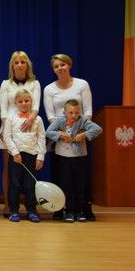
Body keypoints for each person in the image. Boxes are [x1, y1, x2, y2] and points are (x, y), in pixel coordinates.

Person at [42, 53, 94, 220]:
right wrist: (61, 132)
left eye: (62, 65)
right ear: (53, 70)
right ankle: (62, 208)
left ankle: (82, 209)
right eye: (56, 66)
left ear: (69, 65)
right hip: (60, 135)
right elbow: (50, 114)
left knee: (80, 175)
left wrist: (80, 131)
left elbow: (88, 110)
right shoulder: (49, 89)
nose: (60, 68)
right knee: (62, 174)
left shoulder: (82, 84)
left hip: (80, 134)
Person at [0, 51, 40, 218]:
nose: (20, 65)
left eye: (23, 62)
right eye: (16, 62)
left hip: (28, 127)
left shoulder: (35, 83)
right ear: (12, 65)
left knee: (28, 168)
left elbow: (35, 107)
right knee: (9, 168)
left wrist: (30, 120)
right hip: (8, 127)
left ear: (27, 64)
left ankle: (30, 206)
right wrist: (5, 128)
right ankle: (9, 205)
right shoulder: (5, 84)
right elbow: (3, 108)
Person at [46, 99, 102, 222]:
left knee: (79, 185)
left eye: (77, 112)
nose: (74, 115)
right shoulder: (60, 121)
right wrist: (60, 135)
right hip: (63, 157)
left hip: (79, 157)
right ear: (64, 112)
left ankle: (79, 211)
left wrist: (84, 135)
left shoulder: (83, 121)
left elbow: (98, 129)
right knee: (66, 185)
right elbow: (48, 132)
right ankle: (69, 211)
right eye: (71, 112)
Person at [3, 89, 46, 223]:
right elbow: (7, 137)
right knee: (14, 184)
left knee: (30, 184)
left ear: (31, 102)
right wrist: (15, 153)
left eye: (26, 101)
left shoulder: (38, 119)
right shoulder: (11, 118)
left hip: (31, 156)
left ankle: (31, 210)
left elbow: (41, 138)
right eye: (20, 101)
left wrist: (40, 157)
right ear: (16, 103)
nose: (23, 103)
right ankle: (14, 211)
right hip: (15, 157)